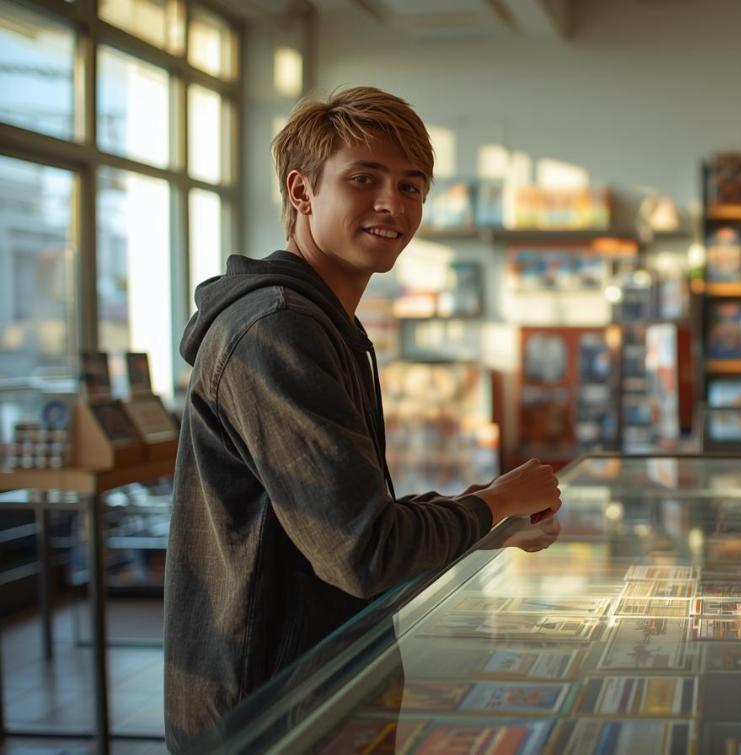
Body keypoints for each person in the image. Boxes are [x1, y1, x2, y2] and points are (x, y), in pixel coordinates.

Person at [163, 86, 561, 752]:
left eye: (411, 186)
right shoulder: (276, 328)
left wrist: (489, 522)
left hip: (309, 692)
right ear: (301, 191)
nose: (393, 204)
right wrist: (493, 504)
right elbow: (363, 551)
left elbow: (340, 523)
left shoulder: (321, 322)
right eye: (364, 179)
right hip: (266, 713)